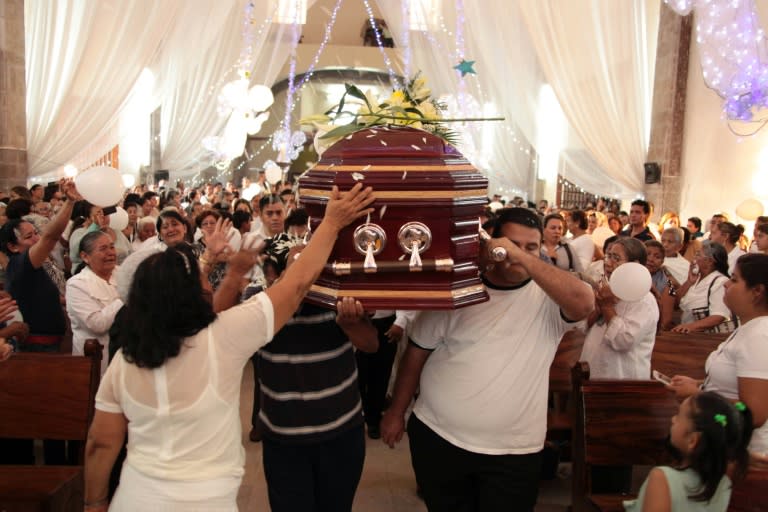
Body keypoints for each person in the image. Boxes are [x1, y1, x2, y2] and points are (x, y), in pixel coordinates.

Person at [83, 183, 375, 510]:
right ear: (190, 293)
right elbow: (296, 284)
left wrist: (94, 504)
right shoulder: (222, 338)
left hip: (137, 497)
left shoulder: (125, 360)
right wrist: (333, 223)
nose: (208, 280)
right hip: (206, 501)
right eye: (203, 277)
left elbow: (100, 443)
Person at [380, 207, 594, 512]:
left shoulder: (549, 297)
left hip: (515, 451)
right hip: (440, 437)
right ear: (492, 245)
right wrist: (396, 412)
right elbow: (417, 352)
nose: (518, 254)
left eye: (530, 247)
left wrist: (520, 256)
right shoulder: (461, 290)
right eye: (510, 244)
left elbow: (585, 302)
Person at [668, 253, 768, 457]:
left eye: (734, 279)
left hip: (746, 455)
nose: (725, 285)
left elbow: (753, 412)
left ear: (756, 291)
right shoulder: (748, 328)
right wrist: (699, 384)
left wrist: (698, 395)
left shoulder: (760, 335)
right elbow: (736, 385)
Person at [623, 393, 753, 512]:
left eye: (679, 416)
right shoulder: (724, 483)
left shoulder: (662, 478)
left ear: (692, 440)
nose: (673, 419)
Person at [580, 237, 658, 379]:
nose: (608, 263)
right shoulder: (607, 289)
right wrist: (597, 309)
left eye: (616, 258)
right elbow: (582, 328)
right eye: (608, 256)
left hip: (622, 381)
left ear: (634, 265)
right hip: (595, 374)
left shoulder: (644, 300)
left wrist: (607, 306)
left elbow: (623, 341)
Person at [66, 230, 123, 375]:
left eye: (112, 247)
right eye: (103, 249)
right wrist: (125, 296)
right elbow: (97, 324)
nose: (111, 253)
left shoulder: (124, 273)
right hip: (96, 361)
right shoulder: (77, 284)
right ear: (85, 256)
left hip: (125, 354)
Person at [671, 241, 735, 333]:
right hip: (689, 334)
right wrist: (689, 282)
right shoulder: (696, 279)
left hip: (709, 338)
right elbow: (674, 302)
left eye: (698, 255)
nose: (694, 258)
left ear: (709, 261)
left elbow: (719, 316)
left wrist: (689, 327)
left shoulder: (720, 282)